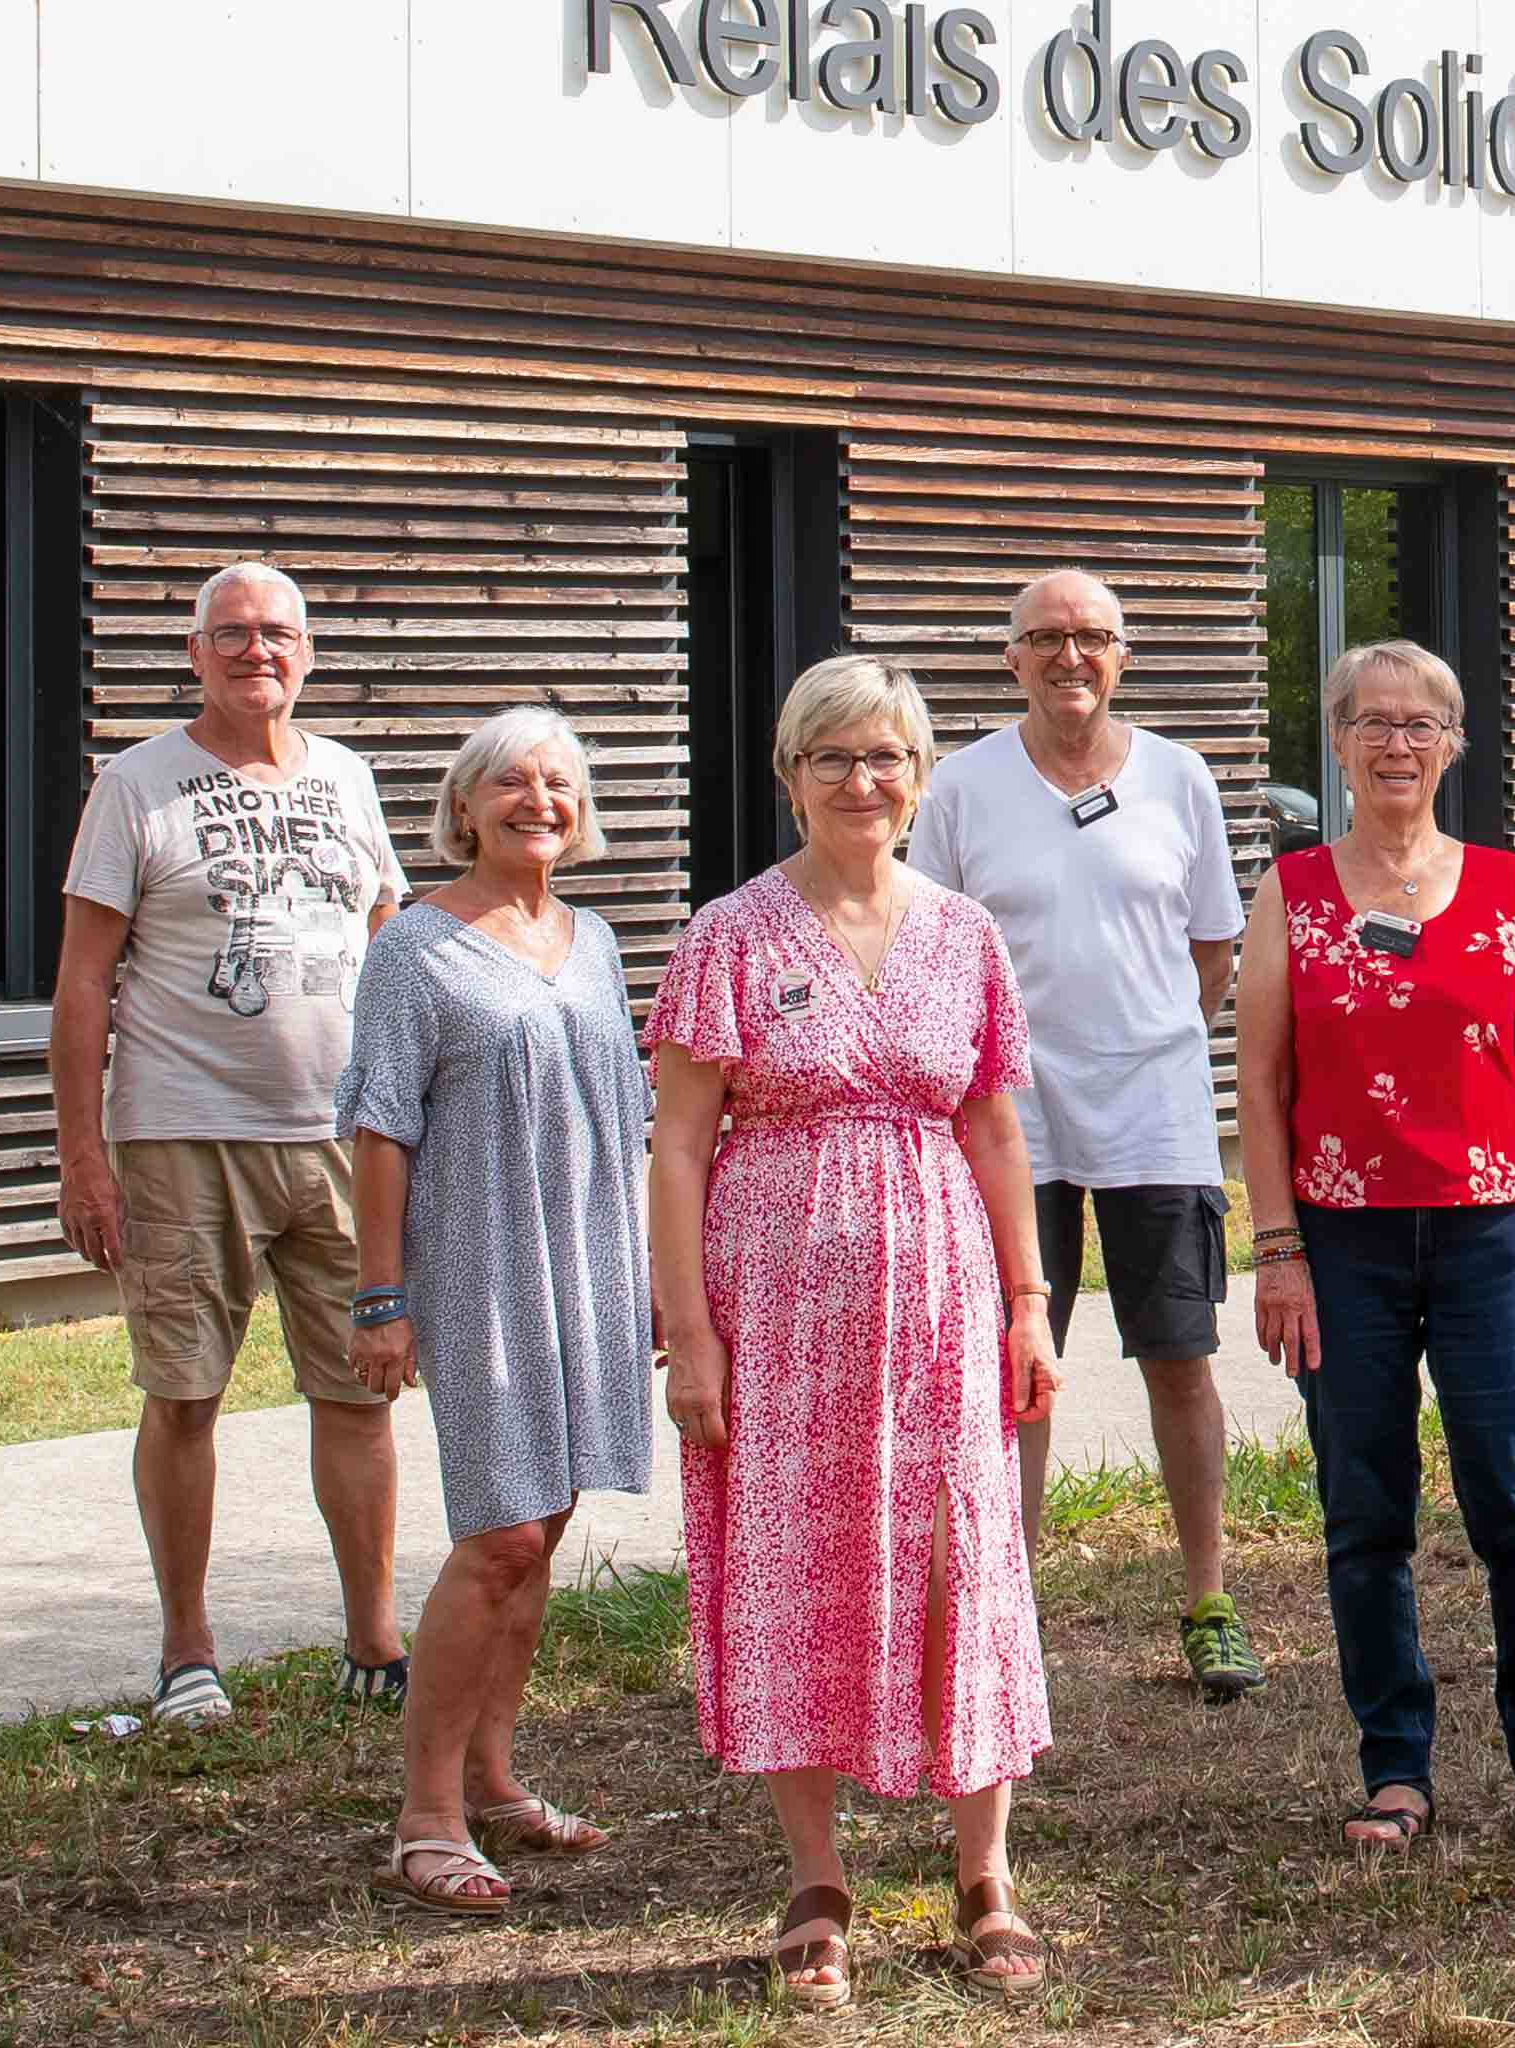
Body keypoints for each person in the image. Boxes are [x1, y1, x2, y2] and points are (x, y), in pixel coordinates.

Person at [643, 657, 1061, 2007]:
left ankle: (984, 1871)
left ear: (920, 776)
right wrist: (688, 1330)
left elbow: (995, 1126)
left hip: (944, 1307)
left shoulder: (964, 934)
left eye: (885, 756)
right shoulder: (731, 934)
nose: (861, 781)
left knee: (964, 1561)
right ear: (790, 774)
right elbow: (677, 1147)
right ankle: (816, 1880)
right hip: (777, 1317)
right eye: (833, 757)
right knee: (797, 1563)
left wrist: (1030, 1299)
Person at [1235, 638, 1515, 1857]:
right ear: (1337, 742)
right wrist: (1276, 1247)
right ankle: (1395, 1766)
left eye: (1421, 724)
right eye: (1373, 723)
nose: (1397, 744)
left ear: (1455, 744)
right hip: (1340, 1242)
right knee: (1364, 1510)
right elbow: (1264, 1077)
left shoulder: (1507, 886)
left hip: (1495, 1233)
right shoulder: (1291, 893)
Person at [50, 560, 410, 1728]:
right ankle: (188, 1648)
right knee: (187, 1391)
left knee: (361, 1389)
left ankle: (373, 1638)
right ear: (196, 652)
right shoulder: (137, 784)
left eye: (280, 634)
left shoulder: (349, 777)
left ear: (308, 653)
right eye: (235, 634)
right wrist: (83, 1153)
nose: (260, 652)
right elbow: (82, 980)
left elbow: (393, 954)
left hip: (344, 1136)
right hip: (180, 1131)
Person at [912, 567, 1260, 1701]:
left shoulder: (1180, 776)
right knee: (1015, 1365)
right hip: (1008, 1114)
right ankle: (1005, 1610)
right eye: (1046, 637)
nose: (1071, 656)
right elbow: (931, 946)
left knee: (1181, 1358)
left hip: (1155, 1107)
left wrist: (1143, 1036)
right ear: (1010, 656)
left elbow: (1215, 946)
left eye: (1093, 637)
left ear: (1123, 656)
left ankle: (1209, 1596)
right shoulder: (960, 785)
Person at [337, 709, 653, 1914]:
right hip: (474, 1267)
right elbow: (380, 1126)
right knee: (501, 1532)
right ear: (463, 805)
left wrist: (653, 1275)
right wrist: (382, 1295)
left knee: (549, 1524)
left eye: (560, 780)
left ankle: (494, 1772)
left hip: (589, 1262)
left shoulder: (594, 938)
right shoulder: (414, 948)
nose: (539, 798)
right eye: (511, 781)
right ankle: (423, 1815)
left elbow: (623, 1115)